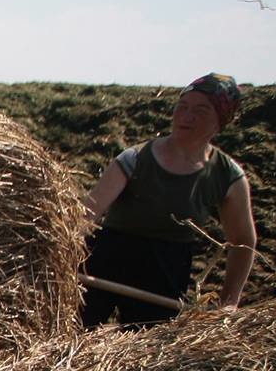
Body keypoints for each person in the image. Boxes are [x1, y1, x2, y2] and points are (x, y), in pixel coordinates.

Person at [79, 72, 258, 327]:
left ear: (221, 119)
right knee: (76, 330)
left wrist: (229, 301)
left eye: (201, 110)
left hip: (166, 268)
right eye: (182, 107)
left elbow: (242, 241)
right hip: (108, 258)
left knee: (146, 346)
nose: (186, 116)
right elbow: (88, 213)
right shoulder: (135, 159)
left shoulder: (228, 176)